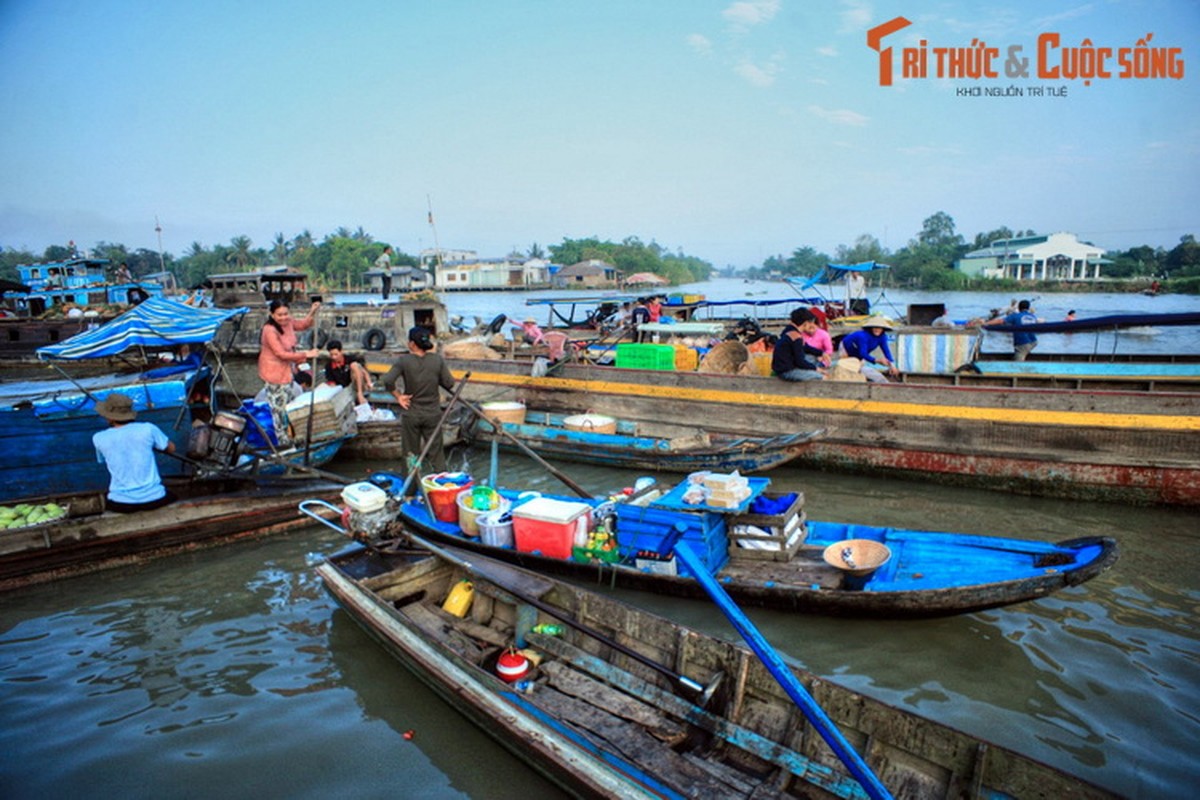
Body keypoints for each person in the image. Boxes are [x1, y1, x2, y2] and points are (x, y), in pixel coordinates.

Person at [381, 326, 456, 474]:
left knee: (411, 454)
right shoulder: (437, 360)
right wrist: (433, 375)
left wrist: (399, 397)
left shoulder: (404, 361)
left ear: (412, 344)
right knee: (436, 454)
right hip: (432, 414)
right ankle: (441, 488)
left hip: (412, 413)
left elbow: (388, 381)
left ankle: (410, 492)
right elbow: (449, 383)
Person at [92, 393, 176, 513]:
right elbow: (171, 448)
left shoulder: (98, 438)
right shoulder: (148, 429)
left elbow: (104, 459)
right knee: (172, 495)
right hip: (154, 498)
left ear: (109, 417)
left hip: (120, 502)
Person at [257, 299, 321, 447]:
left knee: (290, 405)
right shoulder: (269, 330)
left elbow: (303, 324)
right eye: (280, 315)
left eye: (286, 314)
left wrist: (312, 311)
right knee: (279, 412)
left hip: (287, 372)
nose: (284, 318)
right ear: (272, 315)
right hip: (274, 374)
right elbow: (280, 354)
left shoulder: (288, 322)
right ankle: (284, 445)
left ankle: (293, 437)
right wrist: (307, 354)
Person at [838, 315, 900, 382]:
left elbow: (886, 351)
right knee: (846, 367)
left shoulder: (882, 337)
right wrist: (877, 360)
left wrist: (892, 365)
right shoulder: (863, 336)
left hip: (860, 353)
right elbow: (863, 353)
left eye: (880, 328)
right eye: (875, 327)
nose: (877, 330)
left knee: (860, 368)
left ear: (883, 329)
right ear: (871, 327)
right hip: (847, 348)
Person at [772, 308, 826, 382]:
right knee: (820, 376)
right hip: (787, 371)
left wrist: (821, 353)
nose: (811, 325)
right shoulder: (796, 337)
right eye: (810, 323)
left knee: (812, 358)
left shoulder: (788, 331)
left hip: (783, 365)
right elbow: (800, 362)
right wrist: (816, 369)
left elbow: (804, 347)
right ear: (805, 323)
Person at [324, 339, 374, 405]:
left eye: (336, 354)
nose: (334, 357)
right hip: (344, 390)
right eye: (331, 355)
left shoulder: (350, 359)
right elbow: (332, 383)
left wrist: (368, 382)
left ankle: (360, 393)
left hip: (357, 385)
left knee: (354, 366)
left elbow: (363, 372)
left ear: (341, 351)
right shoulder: (329, 367)